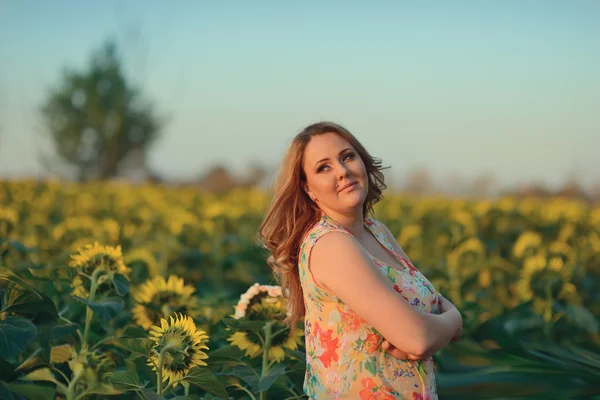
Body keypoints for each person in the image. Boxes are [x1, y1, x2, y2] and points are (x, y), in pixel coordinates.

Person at [258, 121, 462, 400]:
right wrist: (454, 321)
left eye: (347, 157)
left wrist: (432, 324)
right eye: (324, 167)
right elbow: (419, 338)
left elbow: (429, 303)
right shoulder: (331, 244)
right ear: (308, 189)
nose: (342, 171)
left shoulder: (376, 232)